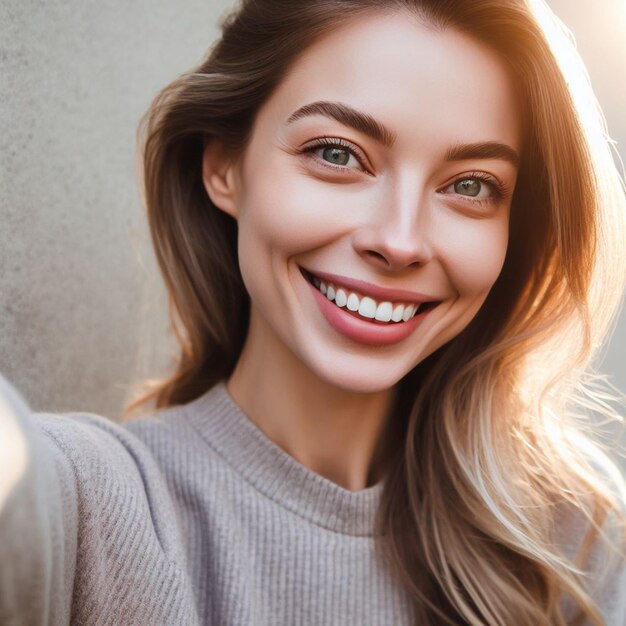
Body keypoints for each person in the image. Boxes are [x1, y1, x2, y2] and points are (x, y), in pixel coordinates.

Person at [1, 0, 625, 624]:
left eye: (470, 185)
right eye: (337, 153)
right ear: (224, 167)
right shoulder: (84, 505)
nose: (400, 240)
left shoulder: (572, 542)